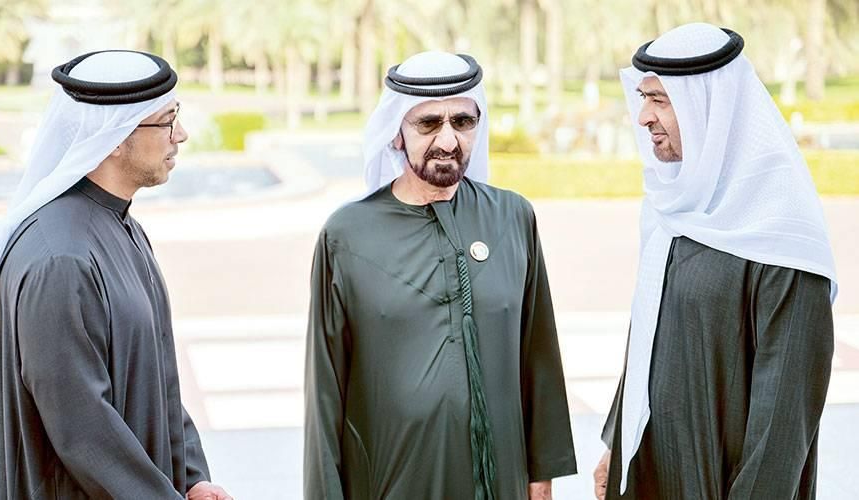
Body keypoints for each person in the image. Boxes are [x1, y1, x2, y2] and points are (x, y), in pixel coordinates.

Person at [303, 51, 577, 500]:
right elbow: (324, 390)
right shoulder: (347, 235)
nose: (448, 140)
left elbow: (538, 355)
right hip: (392, 484)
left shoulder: (512, 217)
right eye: (428, 123)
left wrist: (541, 476)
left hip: (501, 482)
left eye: (463, 122)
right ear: (396, 134)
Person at [0, 50, 232, 499]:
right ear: (115, 136)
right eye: (166, 121)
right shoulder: (60, 260)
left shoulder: (122, 227)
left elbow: (159, 380)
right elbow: (83, 430)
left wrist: (191, 478)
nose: (180, 134)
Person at [592, 23, 837, 499]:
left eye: (660, 100)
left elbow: (783, 428)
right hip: (647, 473)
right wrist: (617, 444)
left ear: (709, 106)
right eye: (643, 97)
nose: (643, 116)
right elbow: (648, 336)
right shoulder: (671, 207)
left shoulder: (785, 237)